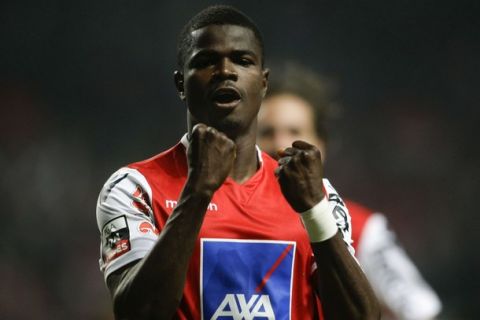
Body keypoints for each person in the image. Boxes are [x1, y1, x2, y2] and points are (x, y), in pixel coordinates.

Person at [96, 5, 380, 320]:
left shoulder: (315, 194)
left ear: (263, 82)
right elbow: (139, 313)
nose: (225, 71)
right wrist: (196, 193)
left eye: (242, 61)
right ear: (181, 85)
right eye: (206, 61)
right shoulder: (135, 188)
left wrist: (314, 211)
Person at [257, 62, 442, 320]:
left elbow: (422, 310)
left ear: (321, 144)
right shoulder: (224, 218)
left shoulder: (362, 228)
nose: (279, 143)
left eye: (294, 131)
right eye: (266, 132)